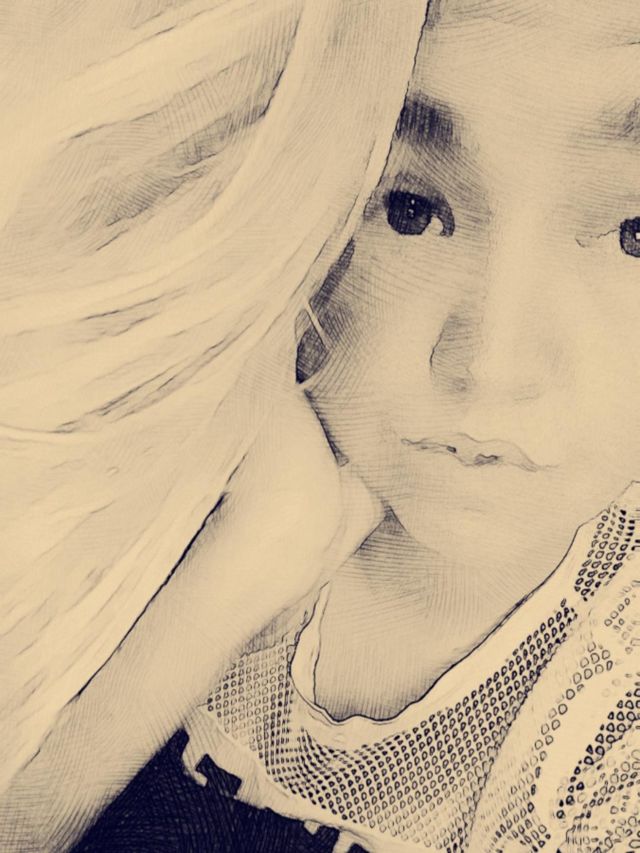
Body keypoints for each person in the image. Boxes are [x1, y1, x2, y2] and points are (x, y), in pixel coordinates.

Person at [2, 0, 640, 851]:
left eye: (635, 235)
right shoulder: (165, 473)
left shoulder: (608, 732)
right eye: (409, 210)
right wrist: (258, 550)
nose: (492, 363)